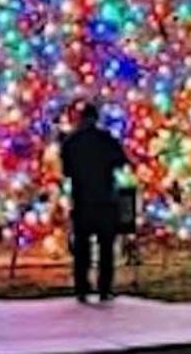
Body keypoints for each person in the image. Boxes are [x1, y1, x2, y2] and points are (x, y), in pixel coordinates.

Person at [59, 103, 127, 302]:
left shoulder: (71, 141)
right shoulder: (106, 139)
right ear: (96, 118)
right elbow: (120, 161)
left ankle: (82, 288)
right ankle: (105, 288)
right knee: (106, 248)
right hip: (105, 199)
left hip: (82, 199)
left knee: (82, 247)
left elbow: (66, 171)